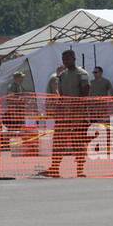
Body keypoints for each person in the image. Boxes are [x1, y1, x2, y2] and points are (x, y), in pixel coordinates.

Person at [39, 50, 91, 178]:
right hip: (64, 115)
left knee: (78, 142)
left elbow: (85, 92)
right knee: (59, 141)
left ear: (74, 58)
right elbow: (61, 95)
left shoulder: (82, 74)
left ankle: (80, 170)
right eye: (64, 59)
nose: (65, 62)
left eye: (68, 59)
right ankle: (55, 167)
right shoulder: (62, 75)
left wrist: (81, 110)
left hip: (78, 115)